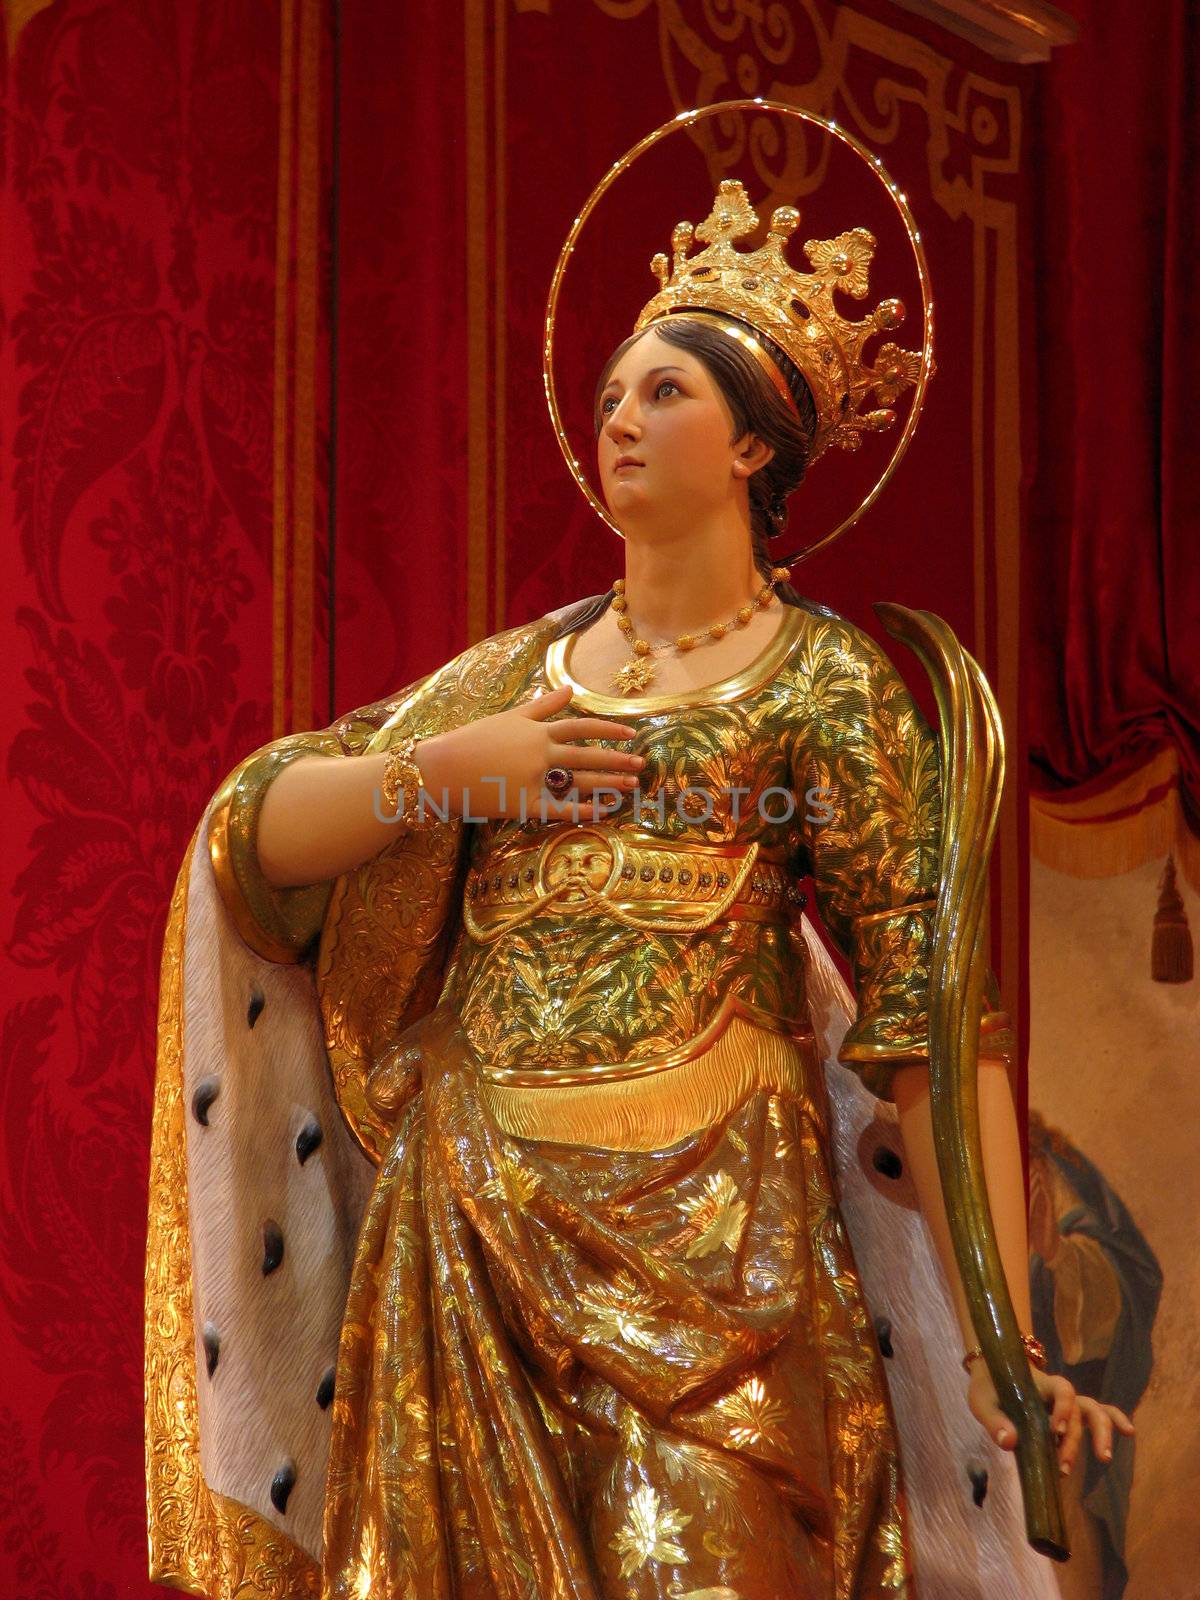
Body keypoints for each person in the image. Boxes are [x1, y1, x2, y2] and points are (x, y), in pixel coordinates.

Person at [145, 181, 1131, 1600]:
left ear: (750, 443)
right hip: (474, 1225)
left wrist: (1002, 1339)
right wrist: (447, 776)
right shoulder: (507, 687)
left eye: (661, 390)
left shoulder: (827, 685)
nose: (618, 418)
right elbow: (254, 833)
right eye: (610, 392)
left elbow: (934, 1023)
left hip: (728, 1242)